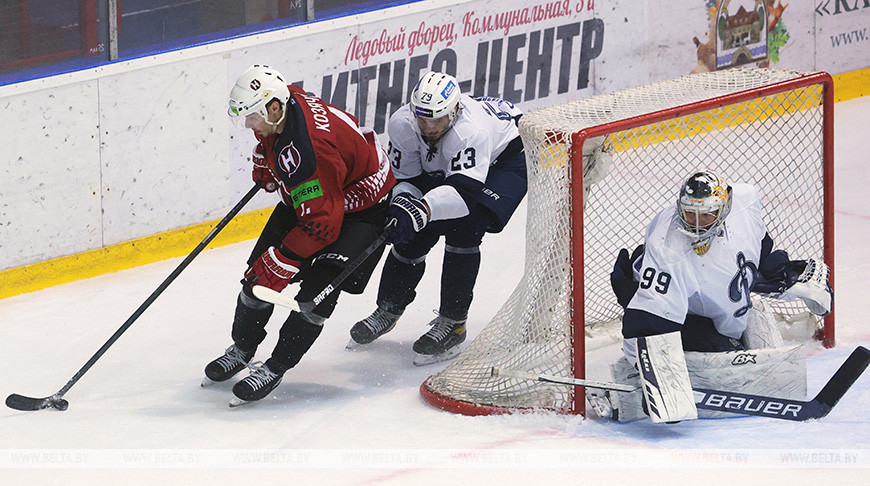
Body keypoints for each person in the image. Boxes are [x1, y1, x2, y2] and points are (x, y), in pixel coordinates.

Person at [203, 64, 395, 406]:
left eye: (253, 118)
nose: (249, 125)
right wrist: (267, 152)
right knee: (257, 278)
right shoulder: (283, 101)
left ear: (274, 108)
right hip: (321, 194)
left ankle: (276, 366)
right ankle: (243, 348)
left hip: (361, 208)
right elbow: (282, 139)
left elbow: (323, 223)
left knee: (316, 296)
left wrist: (288, 258)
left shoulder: (310, 152)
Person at [595, 170, 833, 421]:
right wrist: (654, 377)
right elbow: (645, 322)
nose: (696, 224)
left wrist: (781, 273)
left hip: (707, 296)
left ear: (724, 209)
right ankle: (632, 384)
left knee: (755, 350)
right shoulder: (668, 250)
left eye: (706, 215)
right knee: (722, 354)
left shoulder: (745, 200)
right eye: (690, 213)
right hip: (665, 305)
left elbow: (756, 248)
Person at [348, 71, 528, 365]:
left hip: (507, 159)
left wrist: (422, 210)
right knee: (411, 232)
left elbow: (464, 193)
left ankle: (454, 324)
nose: (429, 127)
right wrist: (404, 205)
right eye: (423, 119)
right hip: (461, 161)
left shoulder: (471, 131)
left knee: (465, 227)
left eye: (437, 120)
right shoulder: (402, 125)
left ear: (454, 112)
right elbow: (407, 178)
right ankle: (389, 308)